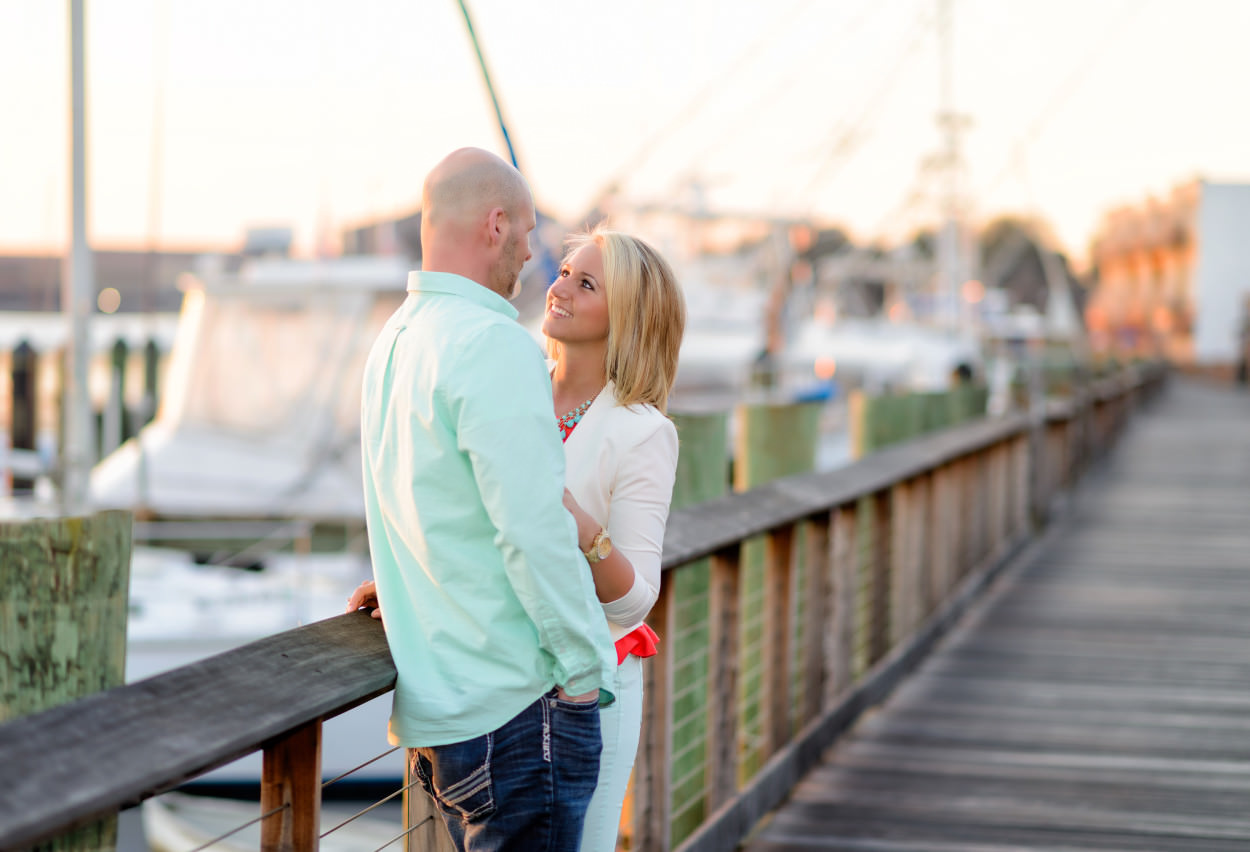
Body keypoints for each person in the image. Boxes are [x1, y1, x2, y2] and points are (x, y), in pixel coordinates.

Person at [351, 224, 686, 851]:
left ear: (630, 317)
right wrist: (412, 579)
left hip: (593, 683)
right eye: (564, 272)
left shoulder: (641, 432)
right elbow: (481, 529)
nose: (559, 288)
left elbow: (635, 600)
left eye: (586, 284)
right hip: (501, 688)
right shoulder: (513, 376)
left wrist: (564, 514)